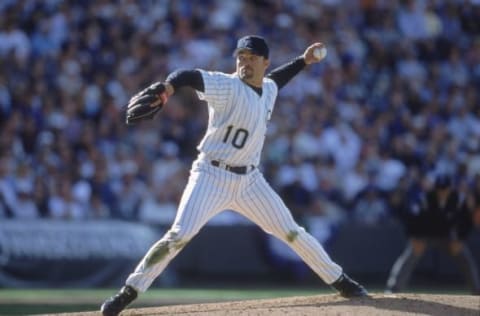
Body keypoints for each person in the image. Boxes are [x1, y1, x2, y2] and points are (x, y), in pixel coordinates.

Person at [101, 35, 368, 316]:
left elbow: (279, 78)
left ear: (265, 62)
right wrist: (169, 87)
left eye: (252, 57)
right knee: (177, 236)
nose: (244, 62)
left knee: (292, 232)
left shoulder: (269, 89)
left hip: (250, 182)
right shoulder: (227, 86)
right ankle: (128, 292)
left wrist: (303, 60)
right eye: (241, 56)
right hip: (210, 175)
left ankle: (341, 281)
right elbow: (189, 75)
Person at [386, 174, 480, 294]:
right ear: (435, 188)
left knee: (465, 257)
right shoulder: (426, 198)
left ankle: (477, 291)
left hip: (448, 238)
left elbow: (466, 222)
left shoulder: (458, 200)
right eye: (440, 189)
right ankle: (393, 289)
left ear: (450, 188)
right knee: (409, 255)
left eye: (445, 189)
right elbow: (412, 218)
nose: (442, 192)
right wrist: (415, 237)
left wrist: (460, 239)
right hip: (425, 236)